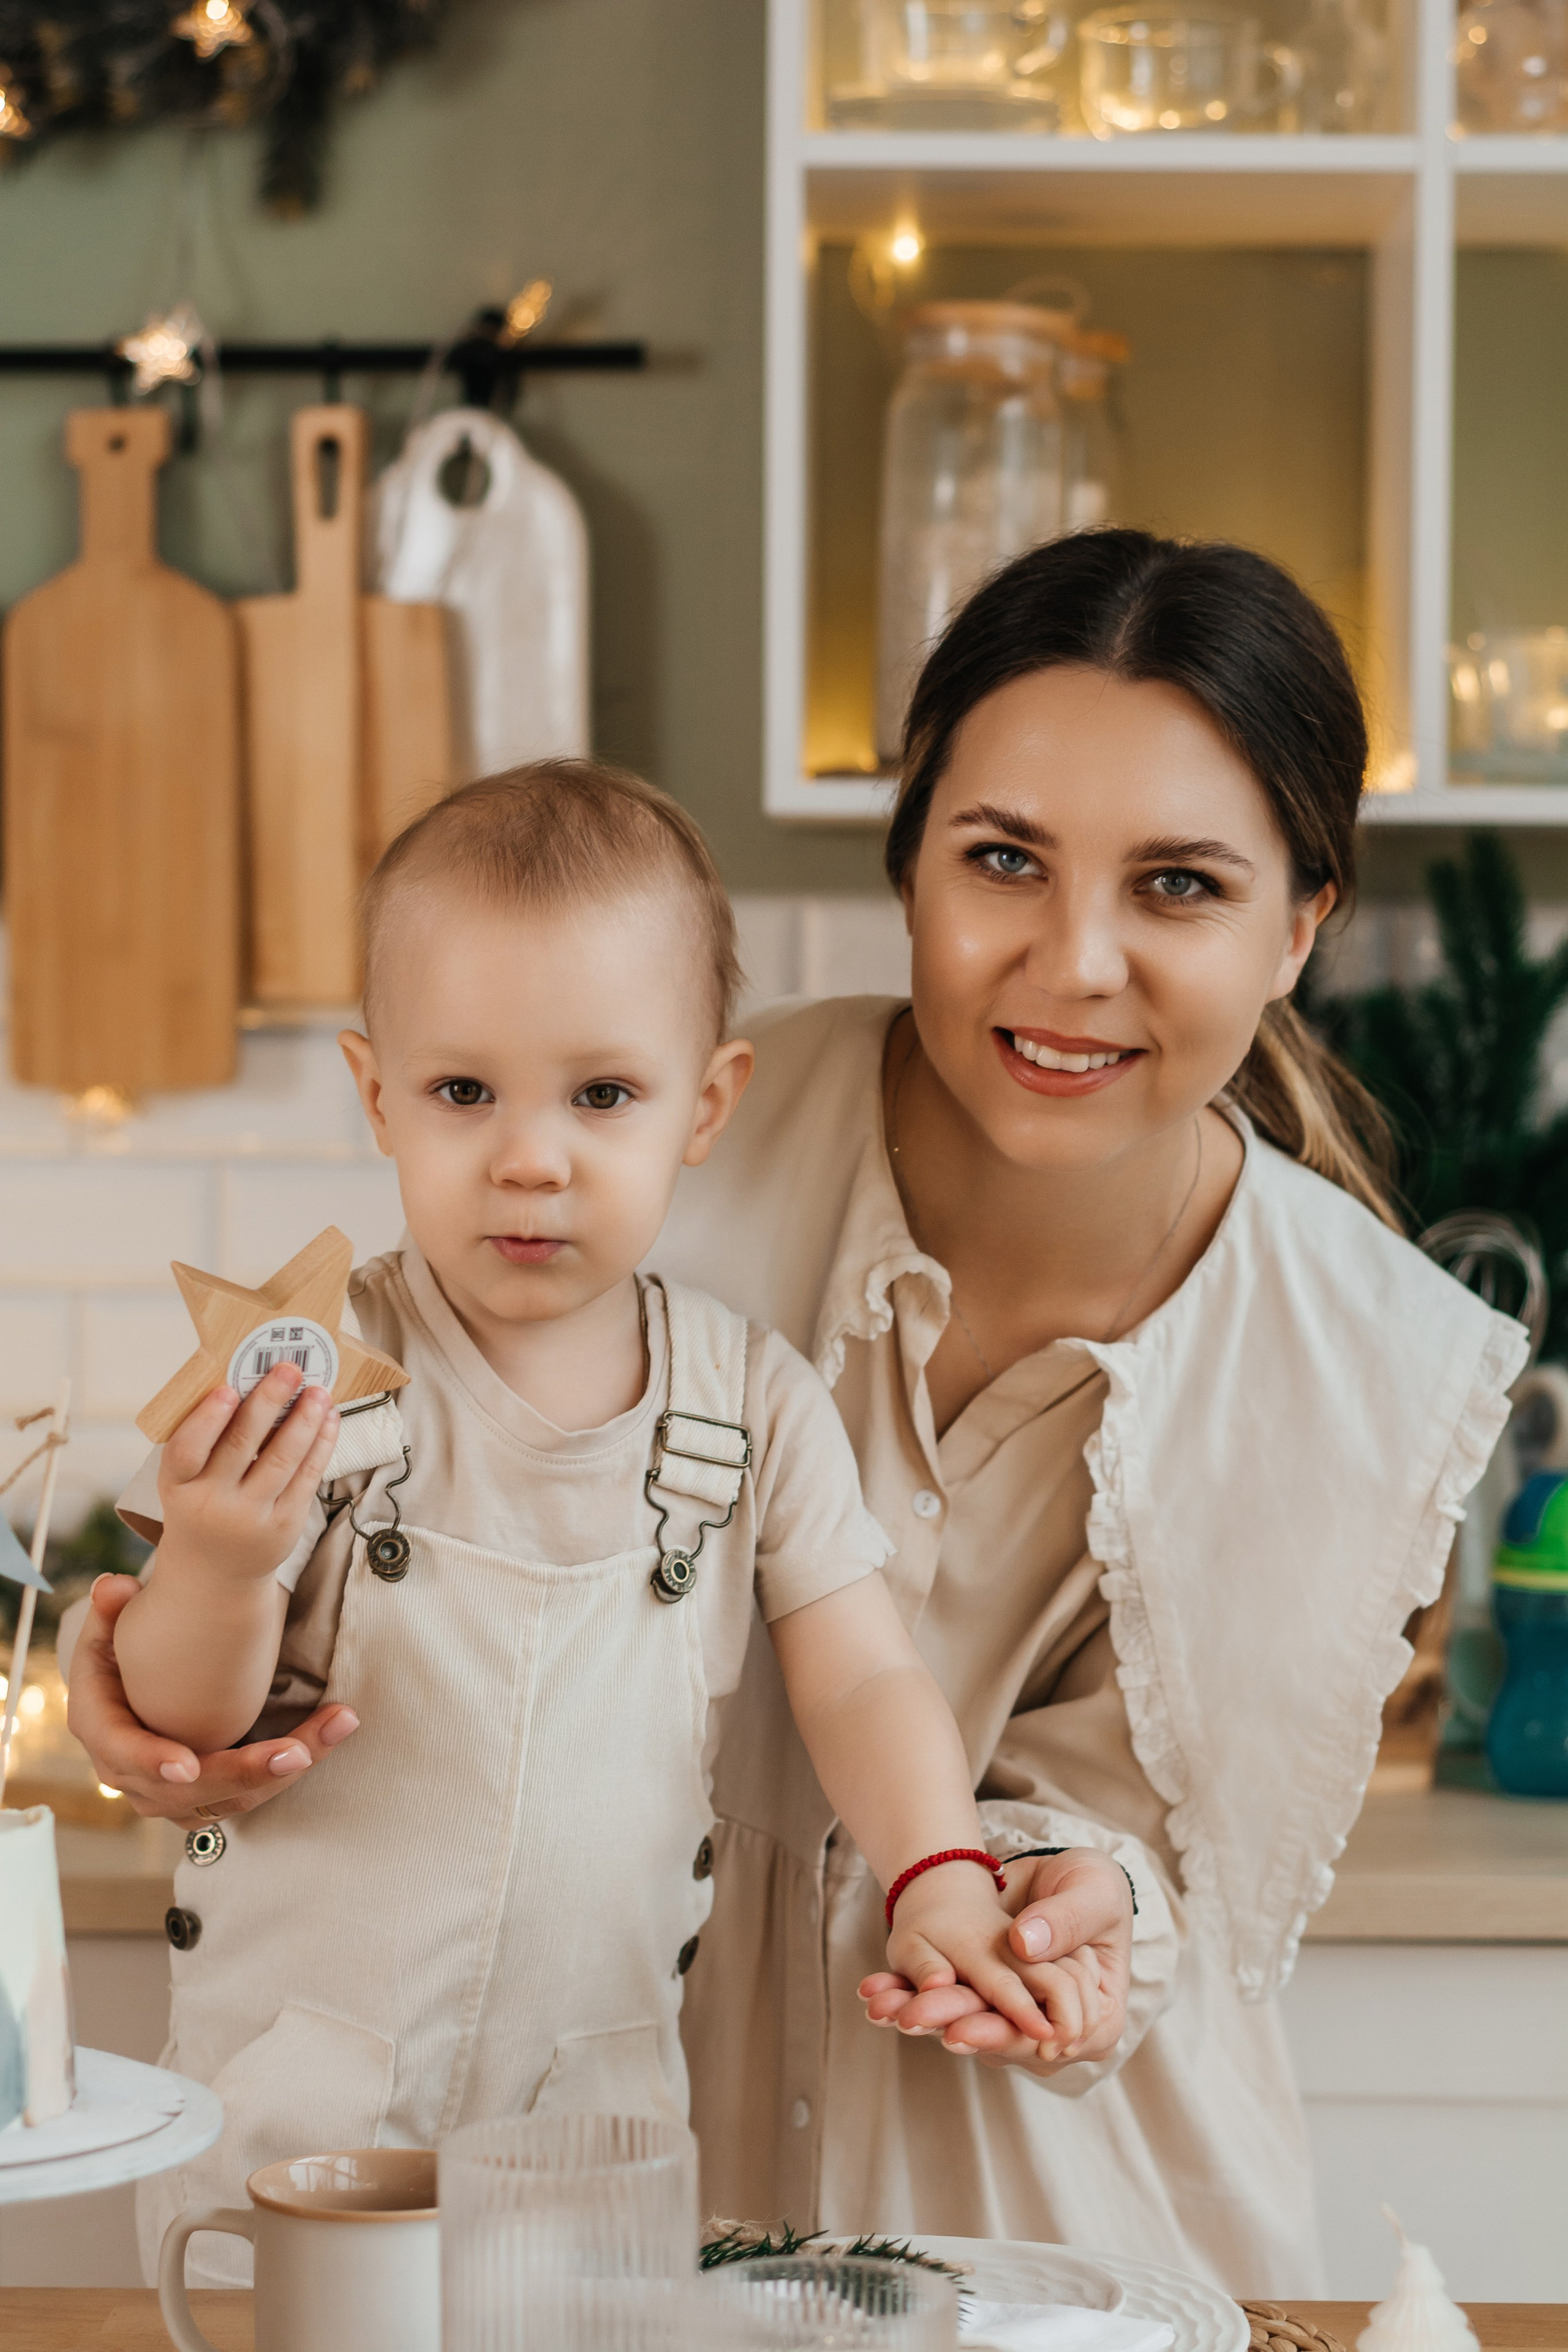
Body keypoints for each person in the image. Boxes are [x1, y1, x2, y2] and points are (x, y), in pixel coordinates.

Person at [67, 533, 1524, 2294]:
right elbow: (349, 1567)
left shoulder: (1373, 1369)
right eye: (1004, 860)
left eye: (1181, 888)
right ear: (911, 865)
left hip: (1058, 2242)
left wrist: (1061, 1906)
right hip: (608, 2212)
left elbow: (1134, 1843)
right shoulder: (632, 1157)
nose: (1075, 963)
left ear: (1301, 926)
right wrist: (187, 1634)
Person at [102, 763, 1096, 2285]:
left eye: (602, 1095)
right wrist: (224, 1560)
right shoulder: (314, 1375)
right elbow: (187, 1728)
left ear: (706, 1107)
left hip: (593, 2120)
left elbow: (860, 1676)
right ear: (376, 1096)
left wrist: (937, 1870)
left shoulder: (747, 1402)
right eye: (462, 1093)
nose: (530, 1155)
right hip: (300, 2105)